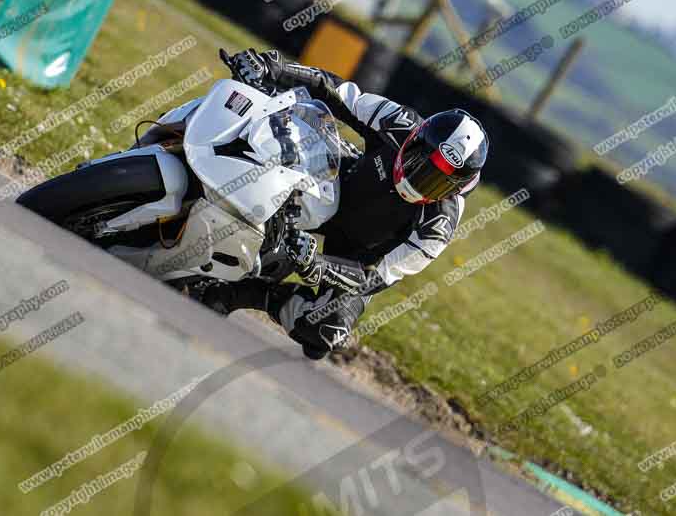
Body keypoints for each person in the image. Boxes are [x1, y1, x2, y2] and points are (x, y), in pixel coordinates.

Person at [202, 48, 489, 360]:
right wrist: (274, 67)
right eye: (420, 161)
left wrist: (318, 265)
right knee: (277, 148)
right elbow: (335, 90)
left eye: (436, 181)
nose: (419, 179)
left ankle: (241, 293)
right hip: (339, 182)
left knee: (326, 331)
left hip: (356, 255)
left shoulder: (438, 226)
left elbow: (374, 277)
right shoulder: (398, 122)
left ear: (456, 190)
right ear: (415, 139)